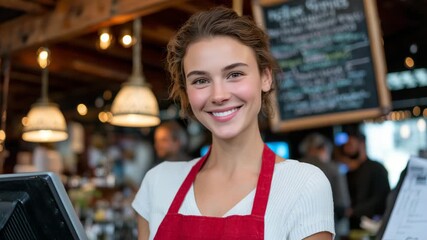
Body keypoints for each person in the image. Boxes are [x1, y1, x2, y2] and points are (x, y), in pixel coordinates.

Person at [132, 7, 334, 240]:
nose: (218, 95)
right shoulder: (158, 183)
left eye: (234, 74)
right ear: (187, 92)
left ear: (266, 77)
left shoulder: (303, 185)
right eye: (200, 80)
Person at [334, 129, 390, 230]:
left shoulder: (377, 168)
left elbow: (381, 199)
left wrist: (353, 211)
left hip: (374, 227)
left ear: (361, 144)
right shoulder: (347, 173)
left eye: (350, 144)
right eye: (346, 145)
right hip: (350, 228)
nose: (347, 149)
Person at [299, 133, 351, 239]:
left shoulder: (294, 169)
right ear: (323, 148)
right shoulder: (334, 169)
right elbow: (342, 206)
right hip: (330, 230)